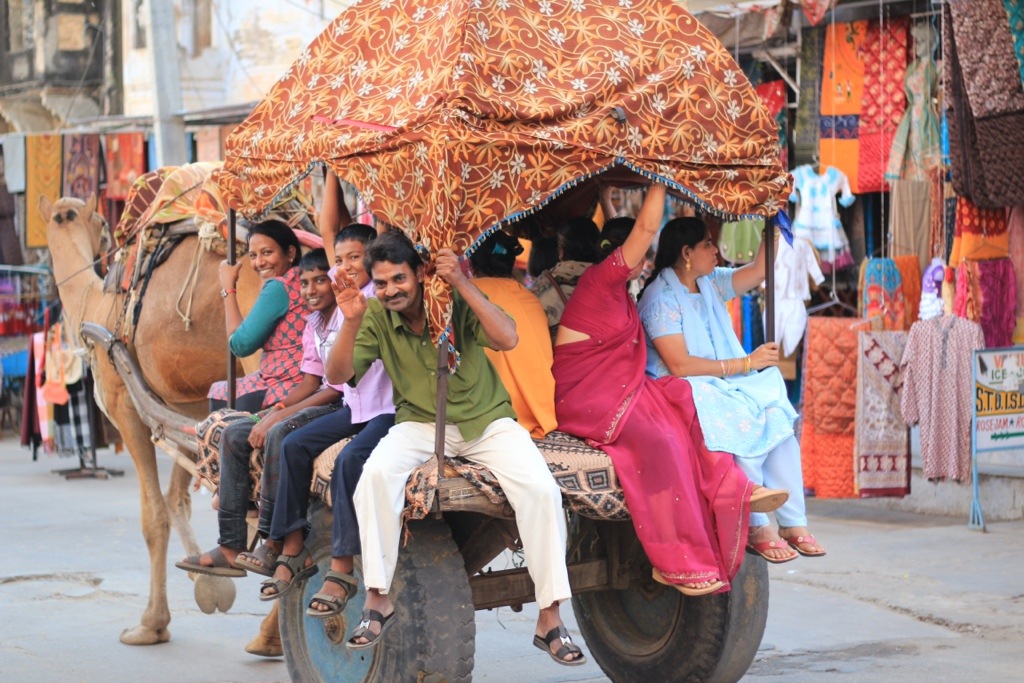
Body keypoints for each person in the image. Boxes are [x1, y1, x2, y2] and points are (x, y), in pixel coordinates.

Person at [325, 231, 586, 666]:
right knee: (373, 476)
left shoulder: (452, 299)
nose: (391, 290)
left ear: (420, 274)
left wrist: (463, 282)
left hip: (488, 422)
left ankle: (550, 617)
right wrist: (350, 321)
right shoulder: (371, 316)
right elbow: (340, 374)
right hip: (420, 425)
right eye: (383, 282)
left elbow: (507, 338)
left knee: (541, 491)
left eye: (399, 279)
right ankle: (377, 597)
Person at [552, 182, 788, 596]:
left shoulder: (622, 289)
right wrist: (660, 174)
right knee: (666, 441)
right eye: (638, 254)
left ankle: (738, 492)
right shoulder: (604, 281)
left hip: (624, 386)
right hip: (591, 397)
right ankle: (678, 562)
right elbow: (644, 230)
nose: (645, 260)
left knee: (687, 401)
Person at [637, 218, 826, 562]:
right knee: (743, 413)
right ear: (686, 253)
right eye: (708, 244)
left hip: (720, 379)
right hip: (677, 387)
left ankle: (793, 521)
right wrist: (743, 365)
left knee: (775, 409)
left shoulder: (709, 283)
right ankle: (755, 522)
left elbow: (757, 271)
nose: (716, 251)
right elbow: (679, 365)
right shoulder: (659, 297)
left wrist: (773, 226)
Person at [177, 248, 345, 577]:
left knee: (280, 434)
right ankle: (231, 544)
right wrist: (271, 412)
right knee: (234, 433)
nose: (311, 290)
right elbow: (309, 381)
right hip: (318, 395)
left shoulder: (343, 317)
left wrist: (278, 418)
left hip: (340, 403)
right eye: (306, 283)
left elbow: (334, 389)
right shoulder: (313, 323)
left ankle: (272, 542)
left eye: (321, 281)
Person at [255, 224, 396, 610]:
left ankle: (342, 566)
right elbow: (331, 376)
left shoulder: (377, 297)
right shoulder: (341, 302)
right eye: (340, 260)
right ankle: (293, 544)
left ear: (371, 259)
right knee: (294, 443)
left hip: (388, 408)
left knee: (349, 461)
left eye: (355, 257)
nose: (347, 267)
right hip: (356, 406)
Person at [208, 220, 306, 413]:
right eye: (253, 255)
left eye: (267, 252)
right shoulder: (300, 277)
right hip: (299, 378)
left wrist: (228, 287)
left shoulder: (278, 287)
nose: (259, 262)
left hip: (285, 384)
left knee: (218, 392)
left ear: (291, 253)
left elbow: (240, 344)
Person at [469, 229, 557, 438]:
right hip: (539, 410)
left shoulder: (469, 293)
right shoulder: (530, 297)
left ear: (472, 266)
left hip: (496, 412)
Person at [528, 216, 604, 342]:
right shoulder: (614, 282)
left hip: (562, 358)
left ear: (561, 250)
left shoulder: (541, 289)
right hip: (606, 359)